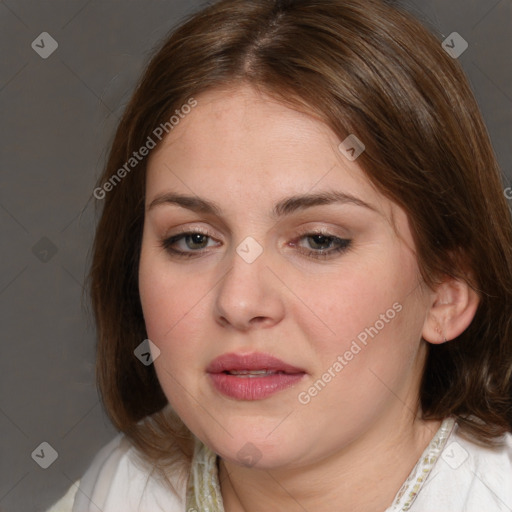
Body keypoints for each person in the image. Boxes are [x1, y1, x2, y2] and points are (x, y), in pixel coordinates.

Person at [47, 0, 512, 510]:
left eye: (318, 240)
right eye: (194, 239)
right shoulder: (111, 492)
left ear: (446, 290)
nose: (240, 301)